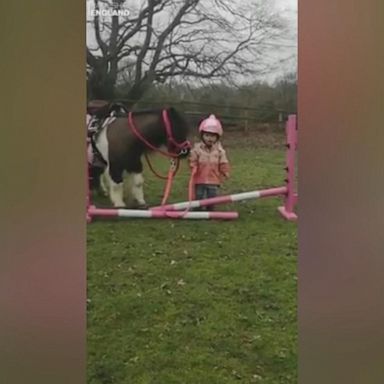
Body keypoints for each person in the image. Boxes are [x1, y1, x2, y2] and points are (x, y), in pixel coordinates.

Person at [189, 114, 230, 210]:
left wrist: (225, 171)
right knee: (199, 195)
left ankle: (210, 209)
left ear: (217, 137)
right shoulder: (197, 149)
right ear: (202, 136)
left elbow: (223, 162)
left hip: (214, 179)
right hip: (200, 178)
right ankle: (197, 209)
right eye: (207, 135)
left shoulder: (220, 151)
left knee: (212, 195)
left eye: (212, 136)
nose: (209, 138)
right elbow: (193, 159)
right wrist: (193, 166)